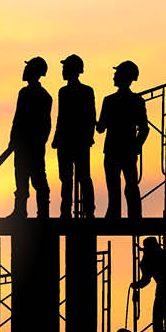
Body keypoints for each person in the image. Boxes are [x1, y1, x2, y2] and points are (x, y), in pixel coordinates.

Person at [96, 60, 150, 221]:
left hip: (114, 149)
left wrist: (93, 121)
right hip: (127, 149)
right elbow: (144, 129)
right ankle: (134, 215)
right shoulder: (137, 101)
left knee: (114, 184)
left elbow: (101, 128)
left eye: (116, 73)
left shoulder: (110, 100)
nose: (114, 76)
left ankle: (114, 214)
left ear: (123, 76)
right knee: (130, 184)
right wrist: (136, 145)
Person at [2, 57, 52, 219]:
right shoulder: (24, 93)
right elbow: (17, 119)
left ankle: (43, 212)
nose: (24, 71)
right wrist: (13, 140)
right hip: (21, 146)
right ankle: (20, 210)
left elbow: (45, 124)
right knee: (21, 177)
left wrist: (37, 143)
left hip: (33, 146)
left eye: (28, 68)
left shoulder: (43, 96)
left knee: (38, 179)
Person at [52, 54, 96, 219]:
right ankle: (67, 211)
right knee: (67, 178)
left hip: (77, 141)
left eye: (65, 68)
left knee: (82, 177)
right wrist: (57, 138)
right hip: (68, 141)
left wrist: (88, 136)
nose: (62, 71)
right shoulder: (63, 92)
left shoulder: (85, 91)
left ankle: (87, 211)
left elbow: (90, 115)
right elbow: (61, 116)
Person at [134, 235, 166, 332]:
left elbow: (146, 279)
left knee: (157, 316)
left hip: (164, 289)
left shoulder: (148, 258)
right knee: (158, 315)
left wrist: (138, 285)